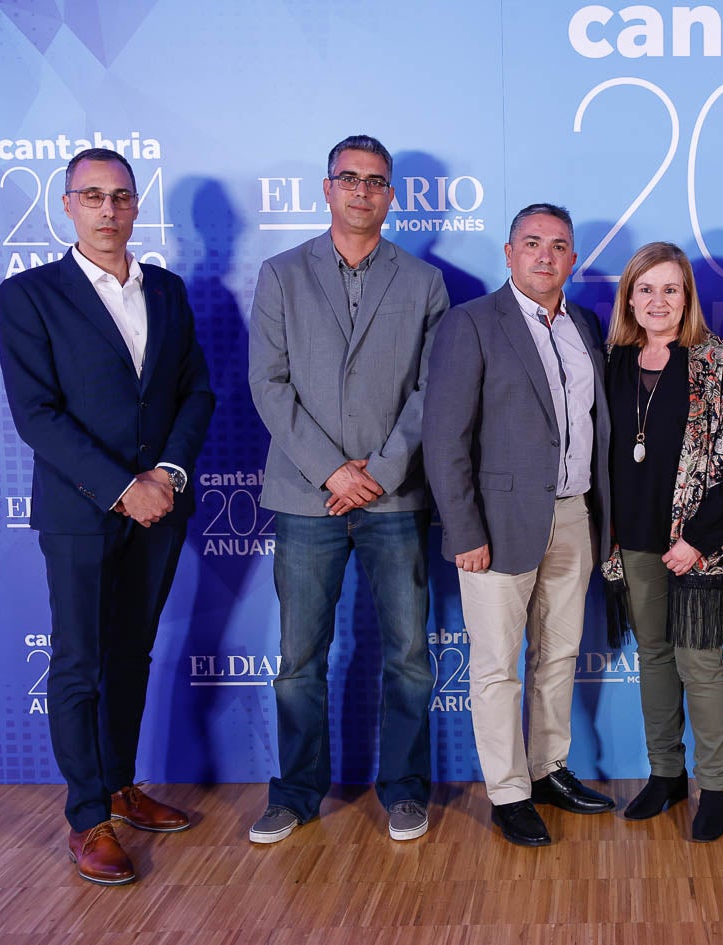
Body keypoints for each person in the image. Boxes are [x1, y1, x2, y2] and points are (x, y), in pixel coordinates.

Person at [0, 147, 214, 884]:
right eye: (92, 196)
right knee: (79, 663)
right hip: (82, 509)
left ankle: (121, 785)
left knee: (130, 654)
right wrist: (125, 486)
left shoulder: (170, 290)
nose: (109, 210)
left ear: (135, 204)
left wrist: (169, 474)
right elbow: (37, 415)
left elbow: (195, 394)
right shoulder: (28, 295)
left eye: (120, 196)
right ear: (67, 205)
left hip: (163, 504)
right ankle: (88, 817)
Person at [246, 135, 449, 845]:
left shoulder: (424, 282)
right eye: (349, 178)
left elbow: (432, 391)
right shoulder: (280, 275)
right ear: (326, 188)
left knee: (408, 655)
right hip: (308, 497)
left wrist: (382, 471)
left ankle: (403, 789)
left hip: (394, 498)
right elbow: (266, 383)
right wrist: (333, 470)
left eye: (376, 181)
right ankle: (297, 793)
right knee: (299, 658)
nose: (362, 191)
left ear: (391, 196)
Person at [423, 203, 614, 847]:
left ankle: (548, 767)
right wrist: (464, 530)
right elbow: (445, 439)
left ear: (572, 259)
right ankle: (508, 792)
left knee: (559, 654)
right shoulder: (471, 323)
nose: (544, 255)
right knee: (497, 666)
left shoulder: (585, 326)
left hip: (573, 514)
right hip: (497, 525)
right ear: (508, 253)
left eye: (558, 245)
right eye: (531, 243)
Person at [599, 242, 723, 842]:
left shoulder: (719, 361)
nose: (658, 300)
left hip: (700, 543)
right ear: (630, 298)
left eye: (671, 289)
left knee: (700, 661)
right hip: (633, 542)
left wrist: (696, 539)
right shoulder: (612, 360)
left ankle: (714, 787)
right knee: (655, 658)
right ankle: (665, 776)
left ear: (688, 296)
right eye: (646, 289)